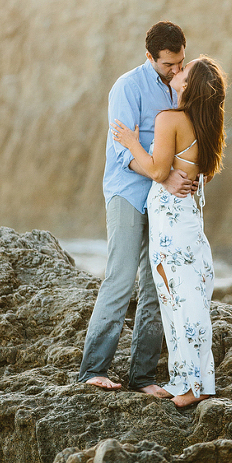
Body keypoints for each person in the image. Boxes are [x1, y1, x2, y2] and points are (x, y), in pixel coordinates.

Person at [76, 21, 197, 397]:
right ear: (150, 57)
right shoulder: (127, 87)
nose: (176, 70)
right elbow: (121, 153)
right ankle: (93, 370)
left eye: (180, 62)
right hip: (128, 192)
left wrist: (176, 177)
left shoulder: (183, 87)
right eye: (168, 65)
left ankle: (142, 376)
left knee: (157, 283)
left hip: (165, 201)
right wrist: (164, 176)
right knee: (121, 276)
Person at [112, 55, 227, 408]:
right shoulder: (204, 124)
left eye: (184, 70)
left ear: (188, 86)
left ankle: (195, 386)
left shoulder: (170, 119)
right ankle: (189, 381)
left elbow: (158, 169)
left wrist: (131, 143)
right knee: (183, 299)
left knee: (180, 301)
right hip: (187, 219)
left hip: (171, 222)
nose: (177, 72)